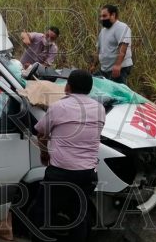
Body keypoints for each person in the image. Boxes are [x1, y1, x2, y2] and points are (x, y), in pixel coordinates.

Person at [31, 70, 105, 242]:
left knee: (42, 212)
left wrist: (44, 153)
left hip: (61, 173)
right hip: (87, 174)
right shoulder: (100, 109)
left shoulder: (59, 107)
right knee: (79, 215)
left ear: (68, 87)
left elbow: (41, 133)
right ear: (89, 89)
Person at [90, 4, 133, 84]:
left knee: (117, 93)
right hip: (105, 69)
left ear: (113, 15)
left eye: (104, 16)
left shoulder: (121, 27)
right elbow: (99, 50)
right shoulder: (103, 31)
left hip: (119, 68)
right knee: (94, 84)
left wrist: (117, 65)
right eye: (101, 16)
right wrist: (94, 65)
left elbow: (123, 47)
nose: (102, 18)